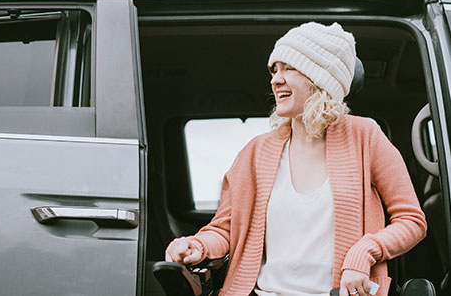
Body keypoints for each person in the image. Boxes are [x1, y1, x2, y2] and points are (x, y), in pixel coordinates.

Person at [164, 22, 427, 296]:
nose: (275, 79)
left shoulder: (365, 137)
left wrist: (365, 251)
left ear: (320, 78)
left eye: (289, 68)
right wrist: (199, 245)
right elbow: (226, 230)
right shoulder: (255, 152)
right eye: (274, 70)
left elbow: (412, 220)